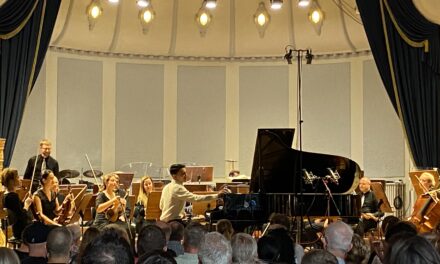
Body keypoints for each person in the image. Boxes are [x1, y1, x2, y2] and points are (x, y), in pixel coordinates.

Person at [160, 164, 229, 223]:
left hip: (164, 221)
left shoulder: (166, 187)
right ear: (174, 176)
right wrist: (217, 195)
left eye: (185, 173)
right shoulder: (177, 187)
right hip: (173, 222)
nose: (185, 175)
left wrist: (182, 213)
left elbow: (161, 206)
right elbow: (195, 198)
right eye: (182, 174)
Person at [1, 168, 33, 239]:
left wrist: (25, 200)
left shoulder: (5, 195)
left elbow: (17, 209)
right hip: (20, 230)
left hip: (16, 228)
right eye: (17, 177)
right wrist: (27, 205)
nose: (20, 179)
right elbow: (21, 217)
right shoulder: (13, 196)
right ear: (12, 181)